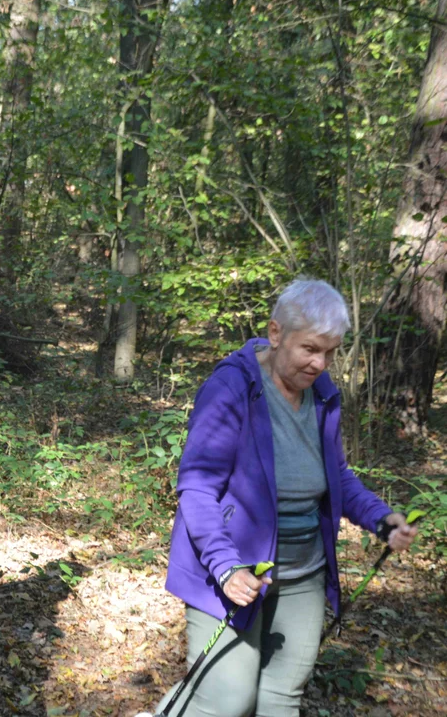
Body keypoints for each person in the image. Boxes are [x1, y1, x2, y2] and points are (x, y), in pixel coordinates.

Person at [158, 278, 418, 717]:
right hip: (235, 571)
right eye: (310, 349)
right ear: (276, 334)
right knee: (226, 700)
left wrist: (381, 519)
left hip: (304, 573)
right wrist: (226, 567)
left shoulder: (321, 395)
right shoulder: (232, 388)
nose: (321, 363)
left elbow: (336, 476)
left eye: (331, 352)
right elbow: (198, 487)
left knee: (281, 698)